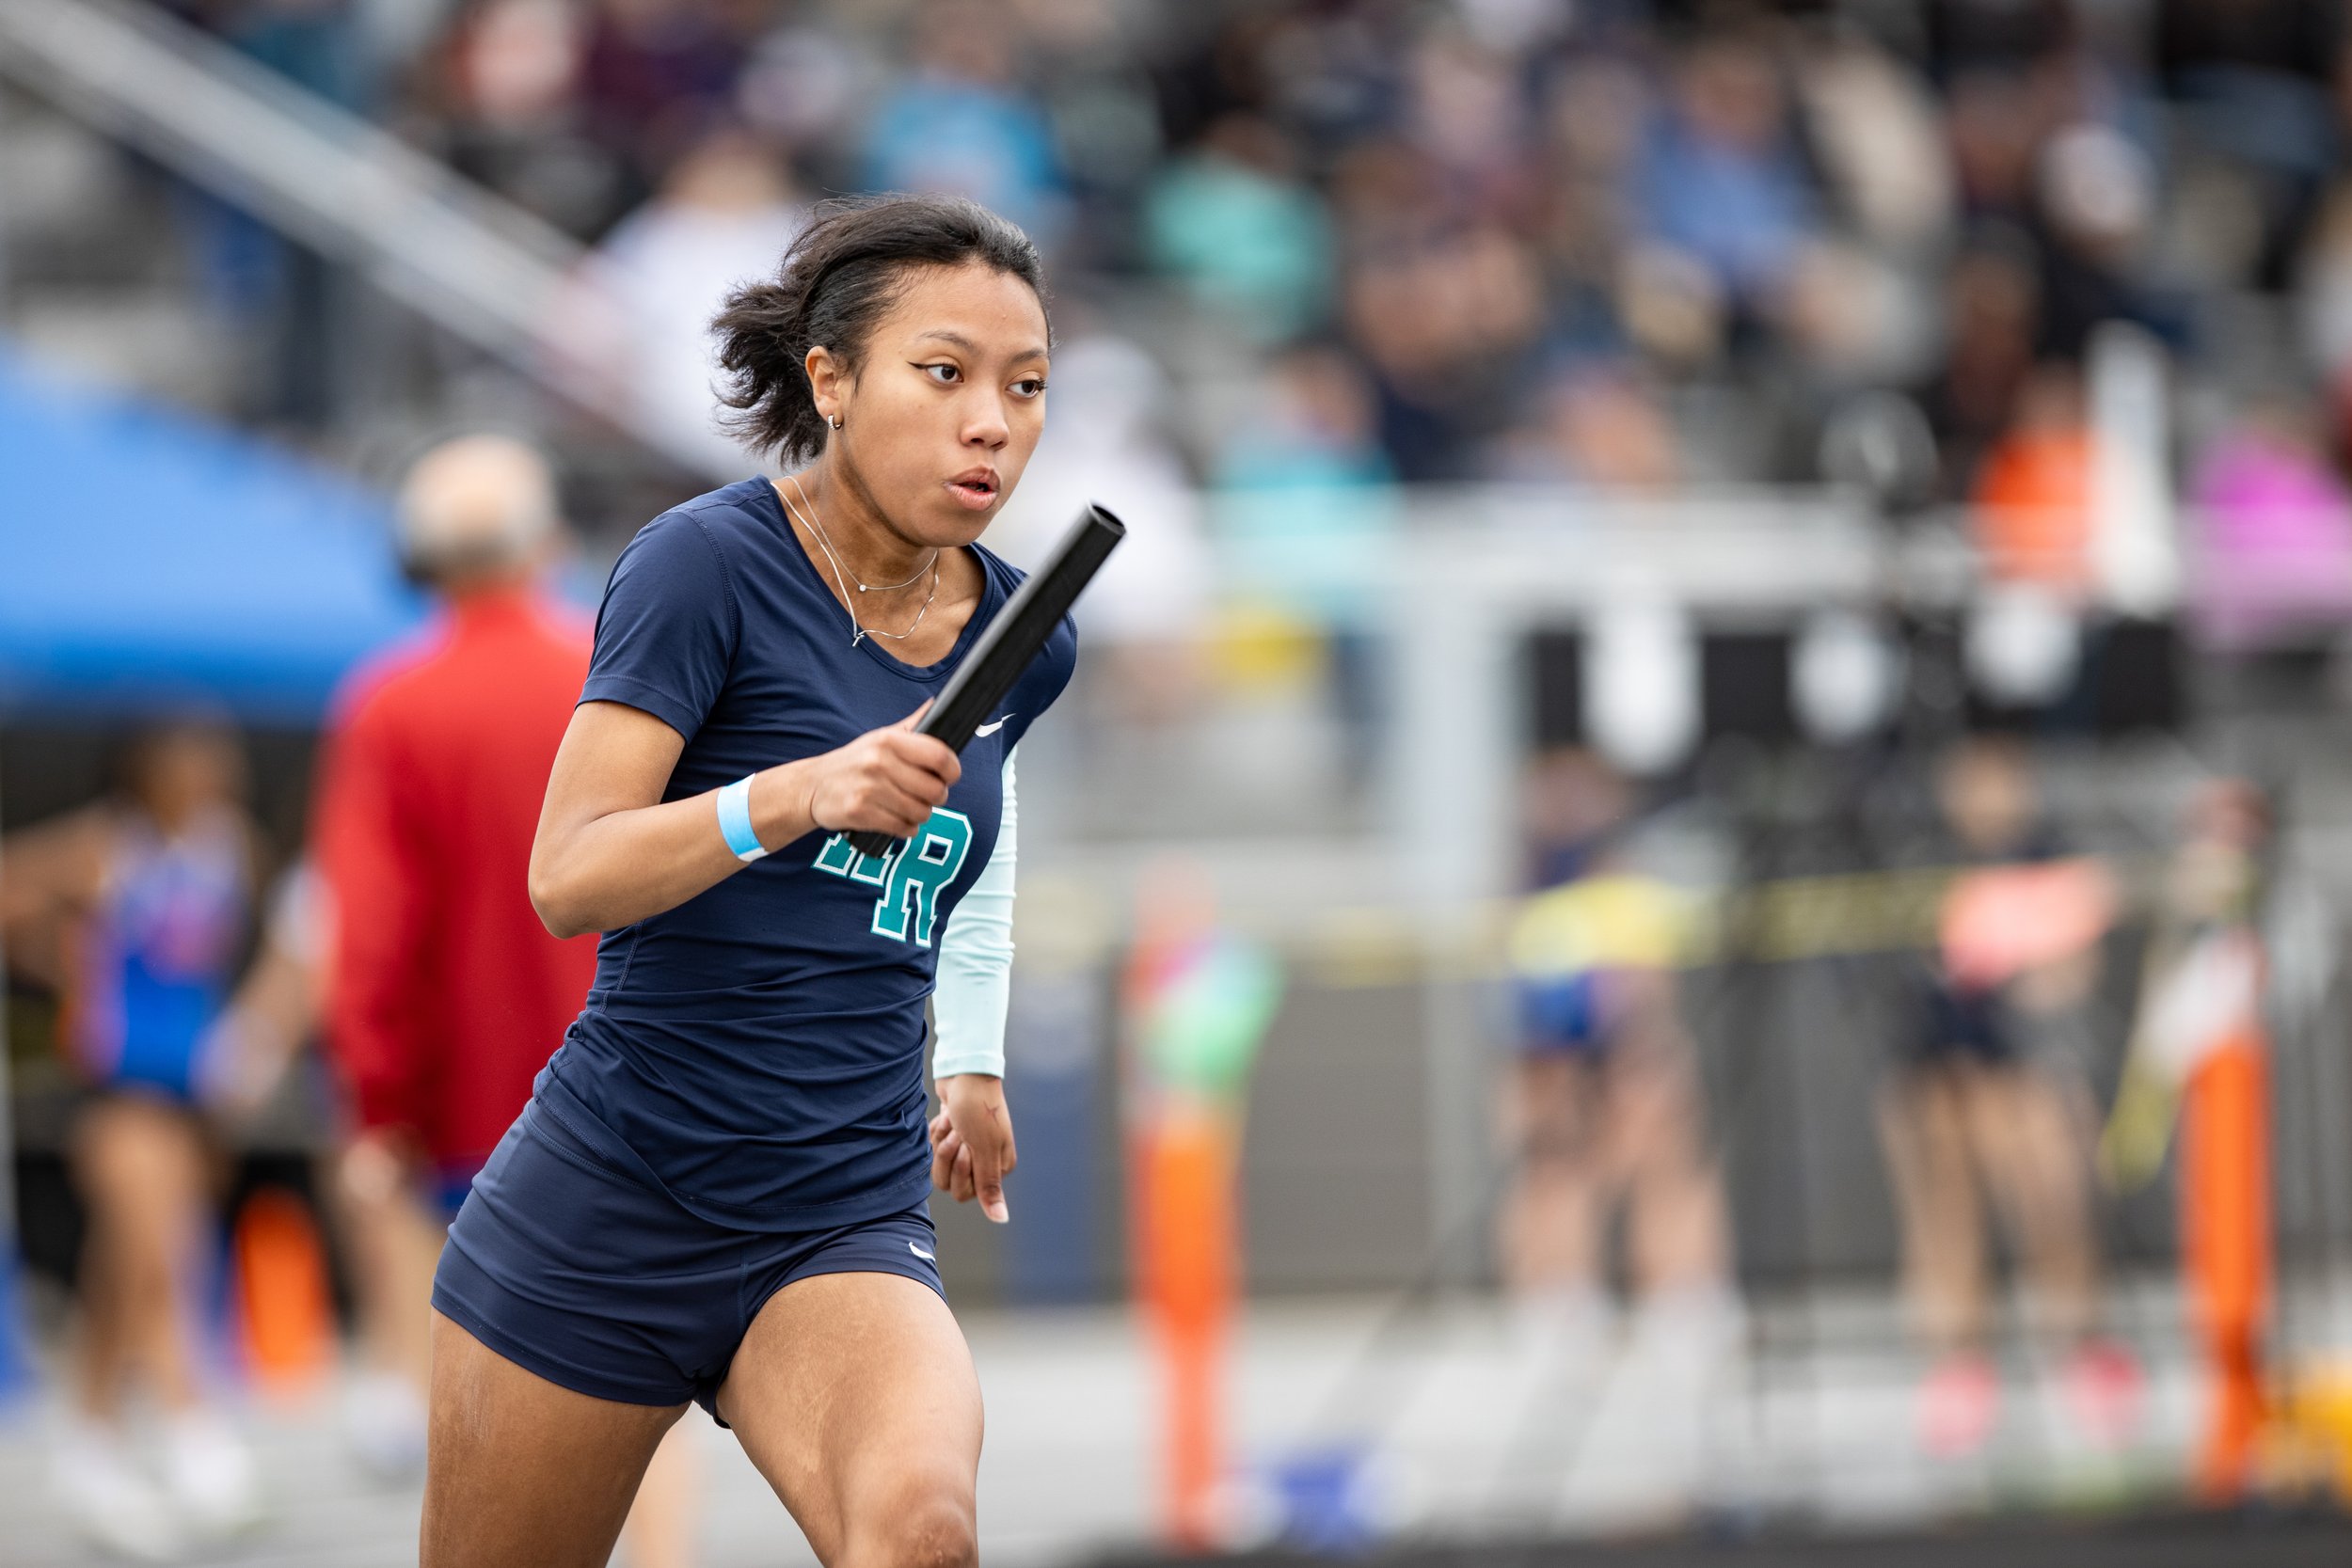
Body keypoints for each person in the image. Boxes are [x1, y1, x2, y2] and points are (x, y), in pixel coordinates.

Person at [420, 193, 1076, 1568]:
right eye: (944, 373)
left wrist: (971, 1054)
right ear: (830, 379)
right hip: (612, 1195)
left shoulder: (1027, 631)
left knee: (923, 1530)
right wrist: (790, 794)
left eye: (1025, 387)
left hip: (841, 1203)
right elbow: (569, 873)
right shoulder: (702, 566)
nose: (992, 422)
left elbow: (981, 830)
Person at [307, 434, 696, 1560]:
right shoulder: (621, 674)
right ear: (543, 542)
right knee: (657, 1366)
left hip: (478, 1107)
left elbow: (372, 935)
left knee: (494, 1385)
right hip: (652, 1080)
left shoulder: (390, 709)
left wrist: (378, 1104)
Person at [0, 720, 265, 1556]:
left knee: (124, 1262)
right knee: (163, 1246)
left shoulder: (235, 850)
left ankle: (88, 1437)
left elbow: (227, 961)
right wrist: (63, 958)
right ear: (150, 773)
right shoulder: (109, 846)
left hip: (191, 1091)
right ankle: (194, 1429)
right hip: (115, 1089)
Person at [1880, 735, 2140, 1456]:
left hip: (2027, 1063)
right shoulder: (1919, 856)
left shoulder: (2052, 857)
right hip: (1941, 1065)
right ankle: (1960, 1367)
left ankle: (2080, 1349)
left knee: (2053, 1197)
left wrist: (2023, 966)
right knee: (1944, 1200)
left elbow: (2069, 971)